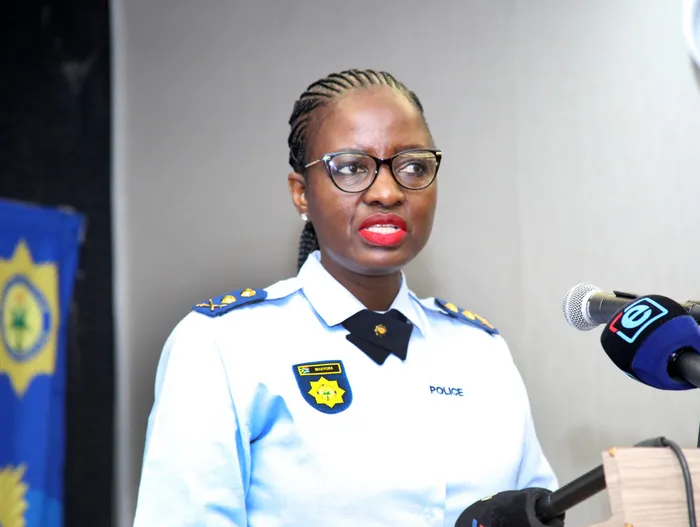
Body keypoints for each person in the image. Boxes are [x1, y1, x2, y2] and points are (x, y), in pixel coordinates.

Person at [132, 69, 558, 527]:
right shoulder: (223, 347)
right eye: (352, 168)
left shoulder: (480, 352)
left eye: (413, 167)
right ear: (301, 194)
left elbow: (538, 511)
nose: (388, 192)